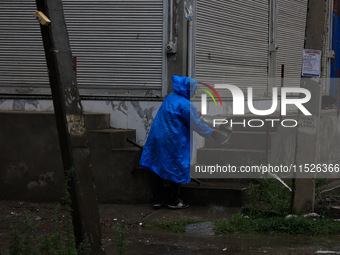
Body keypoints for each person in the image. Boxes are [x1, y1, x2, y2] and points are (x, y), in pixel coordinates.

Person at [139, 75, 214, 209]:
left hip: (158, 137)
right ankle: (173, 201)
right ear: (188, 89)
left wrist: (195, 113)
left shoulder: (171, 97)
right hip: (172, 140)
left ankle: (157, 200)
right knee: (176, 167)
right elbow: (195, 124)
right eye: (194, 89)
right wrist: (211, 133)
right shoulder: (186, 105)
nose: (195, 92)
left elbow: (177, 114)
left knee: (157, 166)